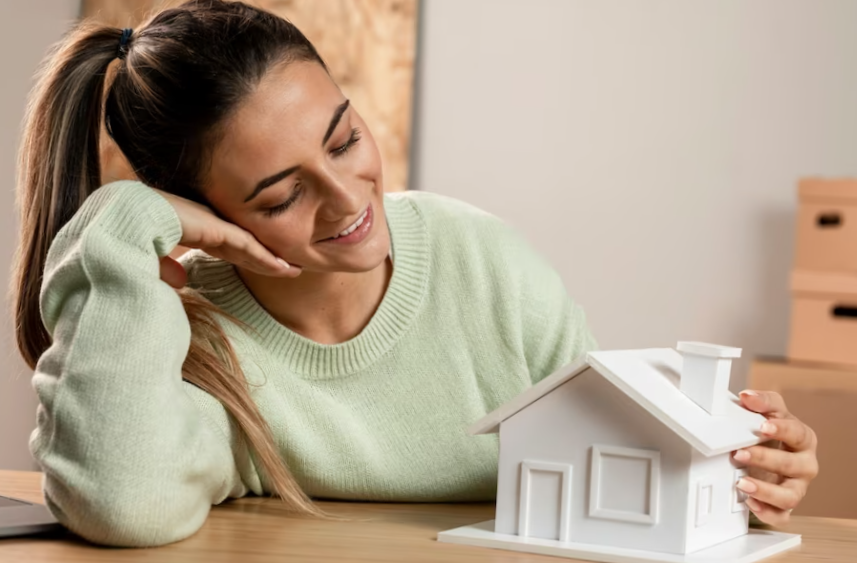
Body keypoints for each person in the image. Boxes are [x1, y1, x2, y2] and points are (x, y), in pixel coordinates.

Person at [10, 0, 818, 548]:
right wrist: (122, 226)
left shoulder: (487, 263)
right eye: (284, 193)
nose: (347, 199)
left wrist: (748, 477)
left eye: (342, 138)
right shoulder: (187, 337)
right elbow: (117, 500)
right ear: (205, 216)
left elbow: (614, 461)